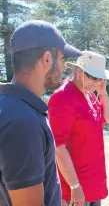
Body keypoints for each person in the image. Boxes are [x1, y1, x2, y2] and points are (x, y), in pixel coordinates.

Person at [0, 20, 82, 206]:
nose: (63, 67)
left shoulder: (11, 107)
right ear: (47, 59)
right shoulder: (22, 122)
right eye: (61, 58)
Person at [48, 51, 109, 206]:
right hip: (75, 186)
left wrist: (102, 93)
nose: (97, 82)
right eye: (93, 77)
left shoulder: (90, 94)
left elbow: (108, 118)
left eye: (101, 78)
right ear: (78, 72)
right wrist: (74, 185)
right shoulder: (62, 98)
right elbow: (58, 146)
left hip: (93, 182)